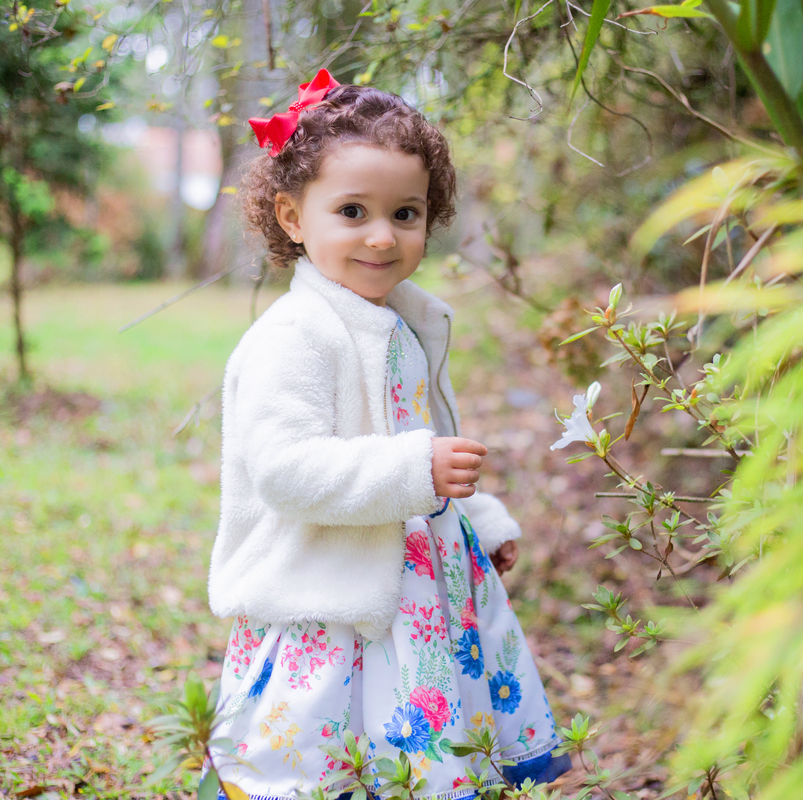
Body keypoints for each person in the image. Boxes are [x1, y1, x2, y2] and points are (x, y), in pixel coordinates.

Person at [206, 70, 570, 799]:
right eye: (351, 211)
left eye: (406, 213)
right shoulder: (294, 336)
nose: (382, 236)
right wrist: (415, 470)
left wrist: (476, 517)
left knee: (419, 738)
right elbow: (284, 470)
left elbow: (424, 441)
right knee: (328, 750)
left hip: (419, 585)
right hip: (332, 594)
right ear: (292, 216)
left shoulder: (404, 319)